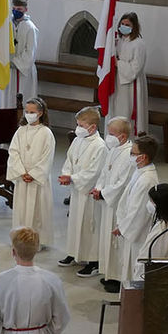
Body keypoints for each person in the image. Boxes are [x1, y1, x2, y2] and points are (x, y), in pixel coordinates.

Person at [57, 106, 108, 276]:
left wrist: (72, 178)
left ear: (92, 127)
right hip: (77, 192)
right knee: (75, 224)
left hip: (88, 194)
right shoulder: (78, 140)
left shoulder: (100, 146)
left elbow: (94, 172)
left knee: (89, 227)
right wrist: (66, 174)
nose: (77, 128)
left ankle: (93, 261)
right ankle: (74, 253)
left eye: (81, 125)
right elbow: (70, 159)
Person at [91, 116, 135, 294]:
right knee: (107, 240)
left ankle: (118, 277)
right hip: (107, 202)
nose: (108, 137)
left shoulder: (130, 154)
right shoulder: (113, 149)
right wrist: (98, 189)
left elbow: (122, 183)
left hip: (118, 205)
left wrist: (103, 193)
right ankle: (109, 272)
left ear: (123, 137)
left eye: (111, 134)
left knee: (116, 242)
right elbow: (104, 172)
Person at [6, 97, 56, 250]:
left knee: (37, 211)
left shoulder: (46, 133)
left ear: (40, 113)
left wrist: (33, 174)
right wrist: (21, 172)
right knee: (22, 210)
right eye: (27, 112)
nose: (29, 114)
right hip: (23, 178)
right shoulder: (21, 131)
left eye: (32, 112)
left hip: (36, 180)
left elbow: (47, 157)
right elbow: (13, 152)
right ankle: (20, 239)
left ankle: (36, 241)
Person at [111, 134, 160, 287]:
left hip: (139, 232)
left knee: (134, 265)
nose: (130, 155)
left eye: (133, 153)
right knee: (128, 264)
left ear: (142, 157)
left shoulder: (147, 179)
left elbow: (139, 211)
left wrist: (123, 228)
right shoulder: (140, 171)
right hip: (131, 227)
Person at [109, 13, 149, 136]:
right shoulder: (119, 41)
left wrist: (118, 63)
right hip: (118, 83)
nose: (124, 26)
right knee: (118, 112)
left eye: (127, 25)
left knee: (127, 113)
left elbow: (135, 68)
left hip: (131, 85)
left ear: (134, 27)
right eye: (122, 24)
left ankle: (130, 141)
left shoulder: (138, 44)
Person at [137, 183, 168, 282]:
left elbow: (152, 258)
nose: (149, 203)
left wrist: (138, 272)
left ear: (160, 204)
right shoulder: (166, 222)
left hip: (151, 278)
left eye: (151, 201)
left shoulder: (162, 231)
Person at [9, 0, 38, 106]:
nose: (16, 11)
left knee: (24, 101)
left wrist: (15, 62)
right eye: (14, 9)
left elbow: (31, 52)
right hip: (9, 70)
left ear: (25, 10)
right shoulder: (8, 25)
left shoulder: (30, 28)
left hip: (23, 72)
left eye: (19, 9)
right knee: (9, 101)